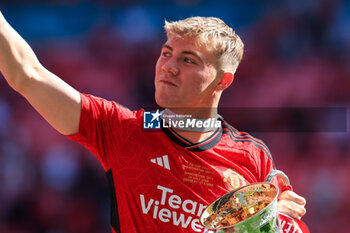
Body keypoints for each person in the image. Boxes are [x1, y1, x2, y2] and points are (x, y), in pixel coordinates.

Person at [0, 12, 307, 233]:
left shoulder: (253, 156)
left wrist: (275, 224)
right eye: (166, 53)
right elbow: (26, 74)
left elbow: (288, 223)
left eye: (188, 60)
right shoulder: (123, 130)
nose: (168, 67)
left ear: (222, 81)